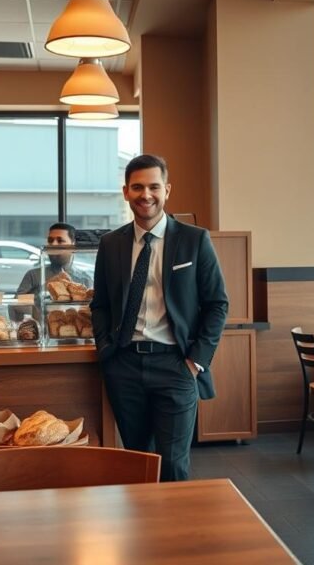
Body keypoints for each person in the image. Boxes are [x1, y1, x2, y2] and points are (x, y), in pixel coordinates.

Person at [90, 154, 228, 482]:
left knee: (173, 464)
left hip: (176, 364)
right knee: (137, 460)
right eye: (137, 187)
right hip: (123, 365)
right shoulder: (111, 244)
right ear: (126, 192)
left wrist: (195, 361)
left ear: (167, 190)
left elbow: (217, 304)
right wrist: (106, 351)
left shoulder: (195, 240)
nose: (146, 194)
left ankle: (175, 532)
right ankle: (143, 531)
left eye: (154, 186)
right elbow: (101, 305)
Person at [15, 223, 93, 295]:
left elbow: (92, 307)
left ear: (73, 246)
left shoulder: (85, 279)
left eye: (60, 241)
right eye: (50, 241)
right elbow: (15, 307)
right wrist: (46, 287)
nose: (53, 244)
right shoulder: (33, 276)